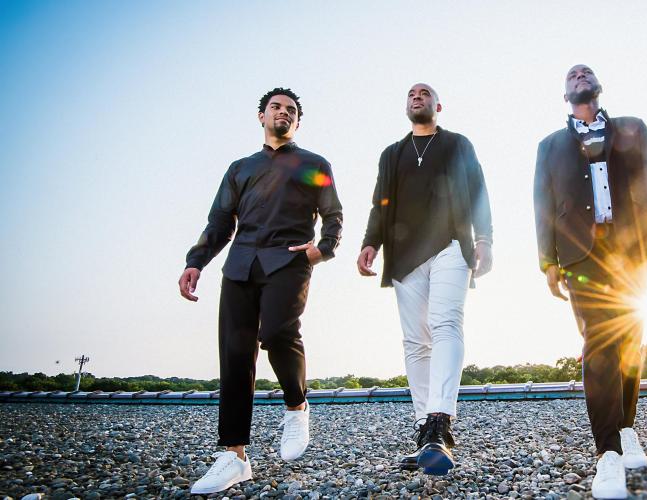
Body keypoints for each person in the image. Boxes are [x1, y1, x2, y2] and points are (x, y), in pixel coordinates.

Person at [178, 88, 343, 495]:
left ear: (297, 122)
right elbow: (219, 220)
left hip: (288, 261)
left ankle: (296, 406)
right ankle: (234, 456)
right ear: (261, 116)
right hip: (240, 265)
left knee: (277, 333)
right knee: (235, 357)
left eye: (290, 110)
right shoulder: (240, 168)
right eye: (276, 107)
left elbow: (333, 214)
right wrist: (196, 261)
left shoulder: (313, 163)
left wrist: (321, 250)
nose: (282, 113)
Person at [533, 64, 647, 499]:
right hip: (581, 254)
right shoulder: (550, 146)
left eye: (587, 72)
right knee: (599, 342)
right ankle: (608, 454)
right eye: (572, 75)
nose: (580, 75)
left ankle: (627, 427)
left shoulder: (633, 129)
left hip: (631, 249)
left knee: (631, 340)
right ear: (565, 94)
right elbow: (542, 203)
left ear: (598, 87)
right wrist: (548, 262)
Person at [357, 83, 493, 476]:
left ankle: (440, 422)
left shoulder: (457, 144)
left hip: (450, 244)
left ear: (438, 105)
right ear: (406, 107)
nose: (417, 97)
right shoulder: (391, 154)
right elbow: (380, 201)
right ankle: (424, 432)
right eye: (412, 94)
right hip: (403, 255)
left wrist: (484, 238)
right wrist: (371, 243)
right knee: (416, 342)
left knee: (446, 323)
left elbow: (479, 190)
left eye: (425, 93)